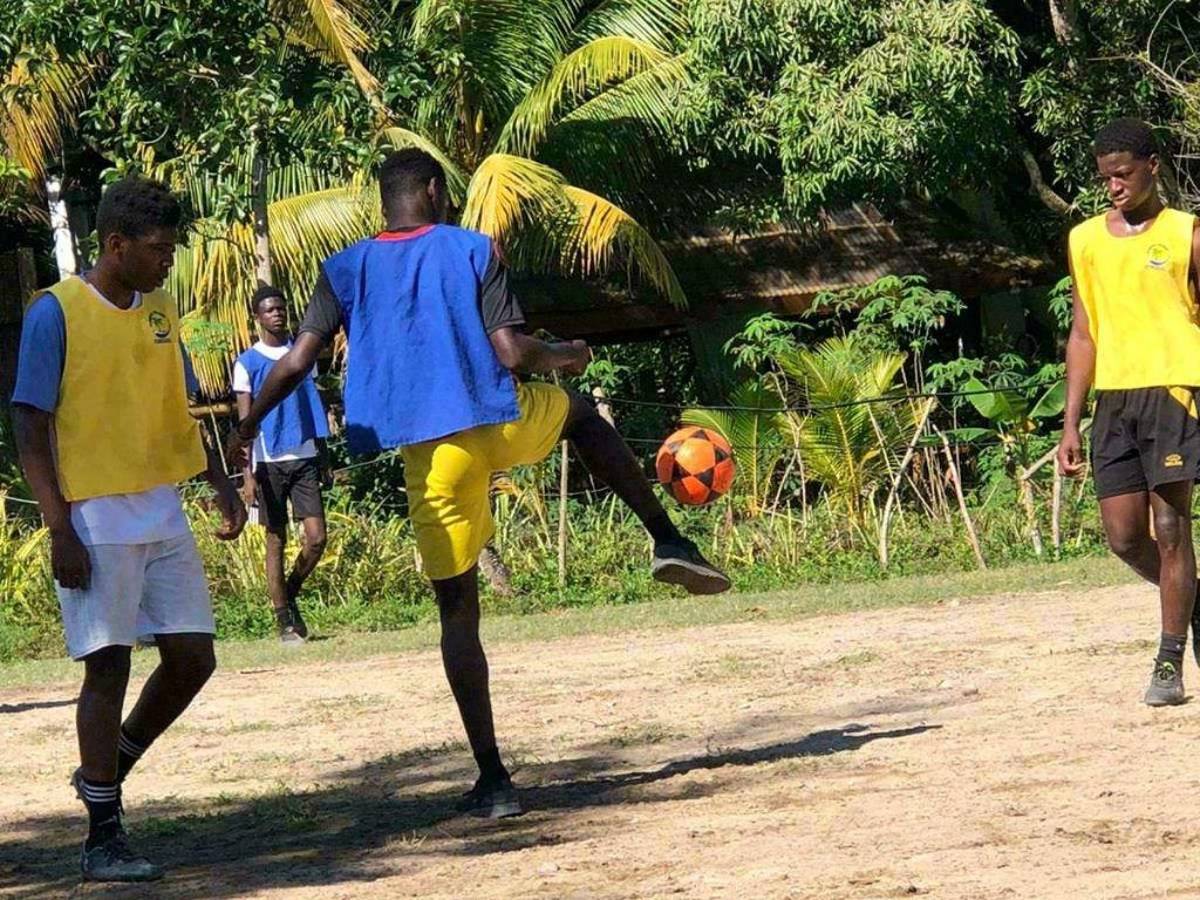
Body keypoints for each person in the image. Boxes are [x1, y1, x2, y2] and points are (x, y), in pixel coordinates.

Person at [227, 148, 731, 819]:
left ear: (387, 200)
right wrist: (568, 355)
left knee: (458, 614)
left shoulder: (344, 268)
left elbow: (293, 362)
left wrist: (246, 427)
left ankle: (494, 781)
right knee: (579, 415)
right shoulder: (473, 250)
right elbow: (513, 353)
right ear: (433, 191)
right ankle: (668, 538)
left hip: (429, 458)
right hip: (494, 420)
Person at [12, 177, 246, 881]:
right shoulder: (57, 312)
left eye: (171, 249)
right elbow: (28, 422)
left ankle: (106, 768)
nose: (166, 261)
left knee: (192, 657)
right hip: (94, 514)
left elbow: (175, 406)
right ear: (115, 245)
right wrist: (59, 527)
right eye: (156, 249)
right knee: (108, 667)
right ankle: (102, 837)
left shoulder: (162, 309)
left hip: (160, 506)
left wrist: (218, 482)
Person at [1057, 117, 1200, 706]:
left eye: (1123, 174)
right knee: (1122, 537)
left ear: (1152, 168)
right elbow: (1084, 332)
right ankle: (1193, 601)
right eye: (1106, 178)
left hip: (1175, 390)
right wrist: (1071, 419)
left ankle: (1168, 660)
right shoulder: (1084, 240)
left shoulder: (1187, 233)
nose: (1114, 186)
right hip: (1114, 401)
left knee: (1170, 528)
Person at [233, 285, 330, 644]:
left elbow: (313, 404)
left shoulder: (302, 354)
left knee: (317, 538)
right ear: (257, 318)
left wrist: (324, 454)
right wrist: (248, 475)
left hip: (304, 455)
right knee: (276, 538)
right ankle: (283, 619)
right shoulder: (248, 362)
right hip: (269, 460)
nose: (278, 314)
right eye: (270, 310)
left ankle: (290, 590)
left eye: (281, 308)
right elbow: (246, 423)